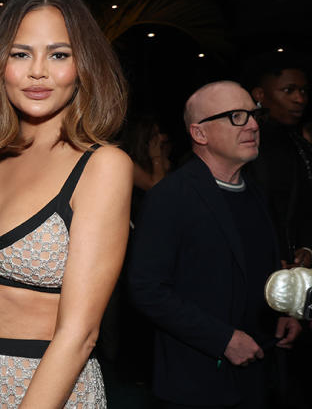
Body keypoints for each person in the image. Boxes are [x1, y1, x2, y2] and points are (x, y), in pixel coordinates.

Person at [0, 0, 131, 407]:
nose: (38, 71)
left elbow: (80, 334)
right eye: (20, 54)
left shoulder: (102, 165)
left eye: (59, 54)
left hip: (45, 387)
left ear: (83, 66)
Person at [129, 81, 302, 408]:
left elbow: (258, 266)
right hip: (199, 381)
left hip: (260, 374)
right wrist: (222, 340)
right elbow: (146, 289)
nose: (252, 124)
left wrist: (282, 311)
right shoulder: (171, 197)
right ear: (200, 133)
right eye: (236, 116)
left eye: (254, 114)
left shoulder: (255, 192)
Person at [245, 57, 311, 268]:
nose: (299, 99)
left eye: (303, 91)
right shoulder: (242, 144)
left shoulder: (300, 145)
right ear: (260, 95)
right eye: (289, 90)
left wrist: (308, 247)